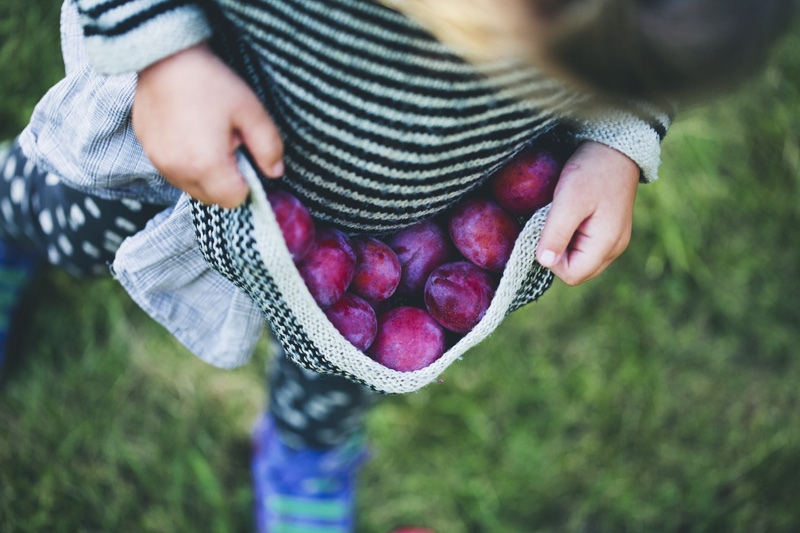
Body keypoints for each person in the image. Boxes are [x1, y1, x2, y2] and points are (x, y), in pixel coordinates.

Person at [0, 0, 792, 531]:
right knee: (64, 211)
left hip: (416, 219)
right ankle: (10, 235)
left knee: (348, 358)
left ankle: (307, 455)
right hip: (189, 138)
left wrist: (622, 129)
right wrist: (162, 51)